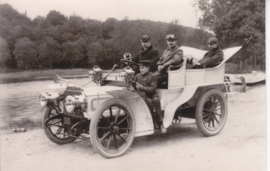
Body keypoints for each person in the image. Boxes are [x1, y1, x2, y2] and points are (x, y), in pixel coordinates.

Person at [134, 60, 166, 133]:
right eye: (140, 68)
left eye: (143, 68)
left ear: (148, 68)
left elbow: (152, 89)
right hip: (143, 95)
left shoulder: (153, 76)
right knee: (149, 102)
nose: (141, 69)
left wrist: (142, 87)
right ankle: (152, 121)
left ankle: (160, 122)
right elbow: (134, 86)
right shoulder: (137, 76)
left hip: (152, 94)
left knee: (156, 100)